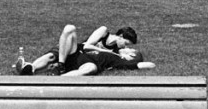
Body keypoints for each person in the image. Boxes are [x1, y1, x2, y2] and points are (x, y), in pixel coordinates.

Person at [14, 24, 152, 75]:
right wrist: (109, 52)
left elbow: (137, 62)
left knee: (90, 67)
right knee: (69, 29)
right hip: (76, 50)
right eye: (126, 43)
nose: (126, 47)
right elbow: (86, 46)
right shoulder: (104, 32)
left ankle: (46, 72)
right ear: (121, 36)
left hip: (83, 61)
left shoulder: (117, 52)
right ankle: (31, 67)